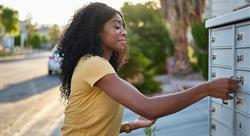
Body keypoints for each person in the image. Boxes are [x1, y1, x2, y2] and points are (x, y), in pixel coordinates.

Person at [58, 2, 238, 136]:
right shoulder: (93, 64)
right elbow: (148, 107)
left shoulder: (97, 65)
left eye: (123, 27)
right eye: (116, 26)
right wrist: (207, 88)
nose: (124, 32)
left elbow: (91, 126)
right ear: (96, 31)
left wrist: (131, 125)